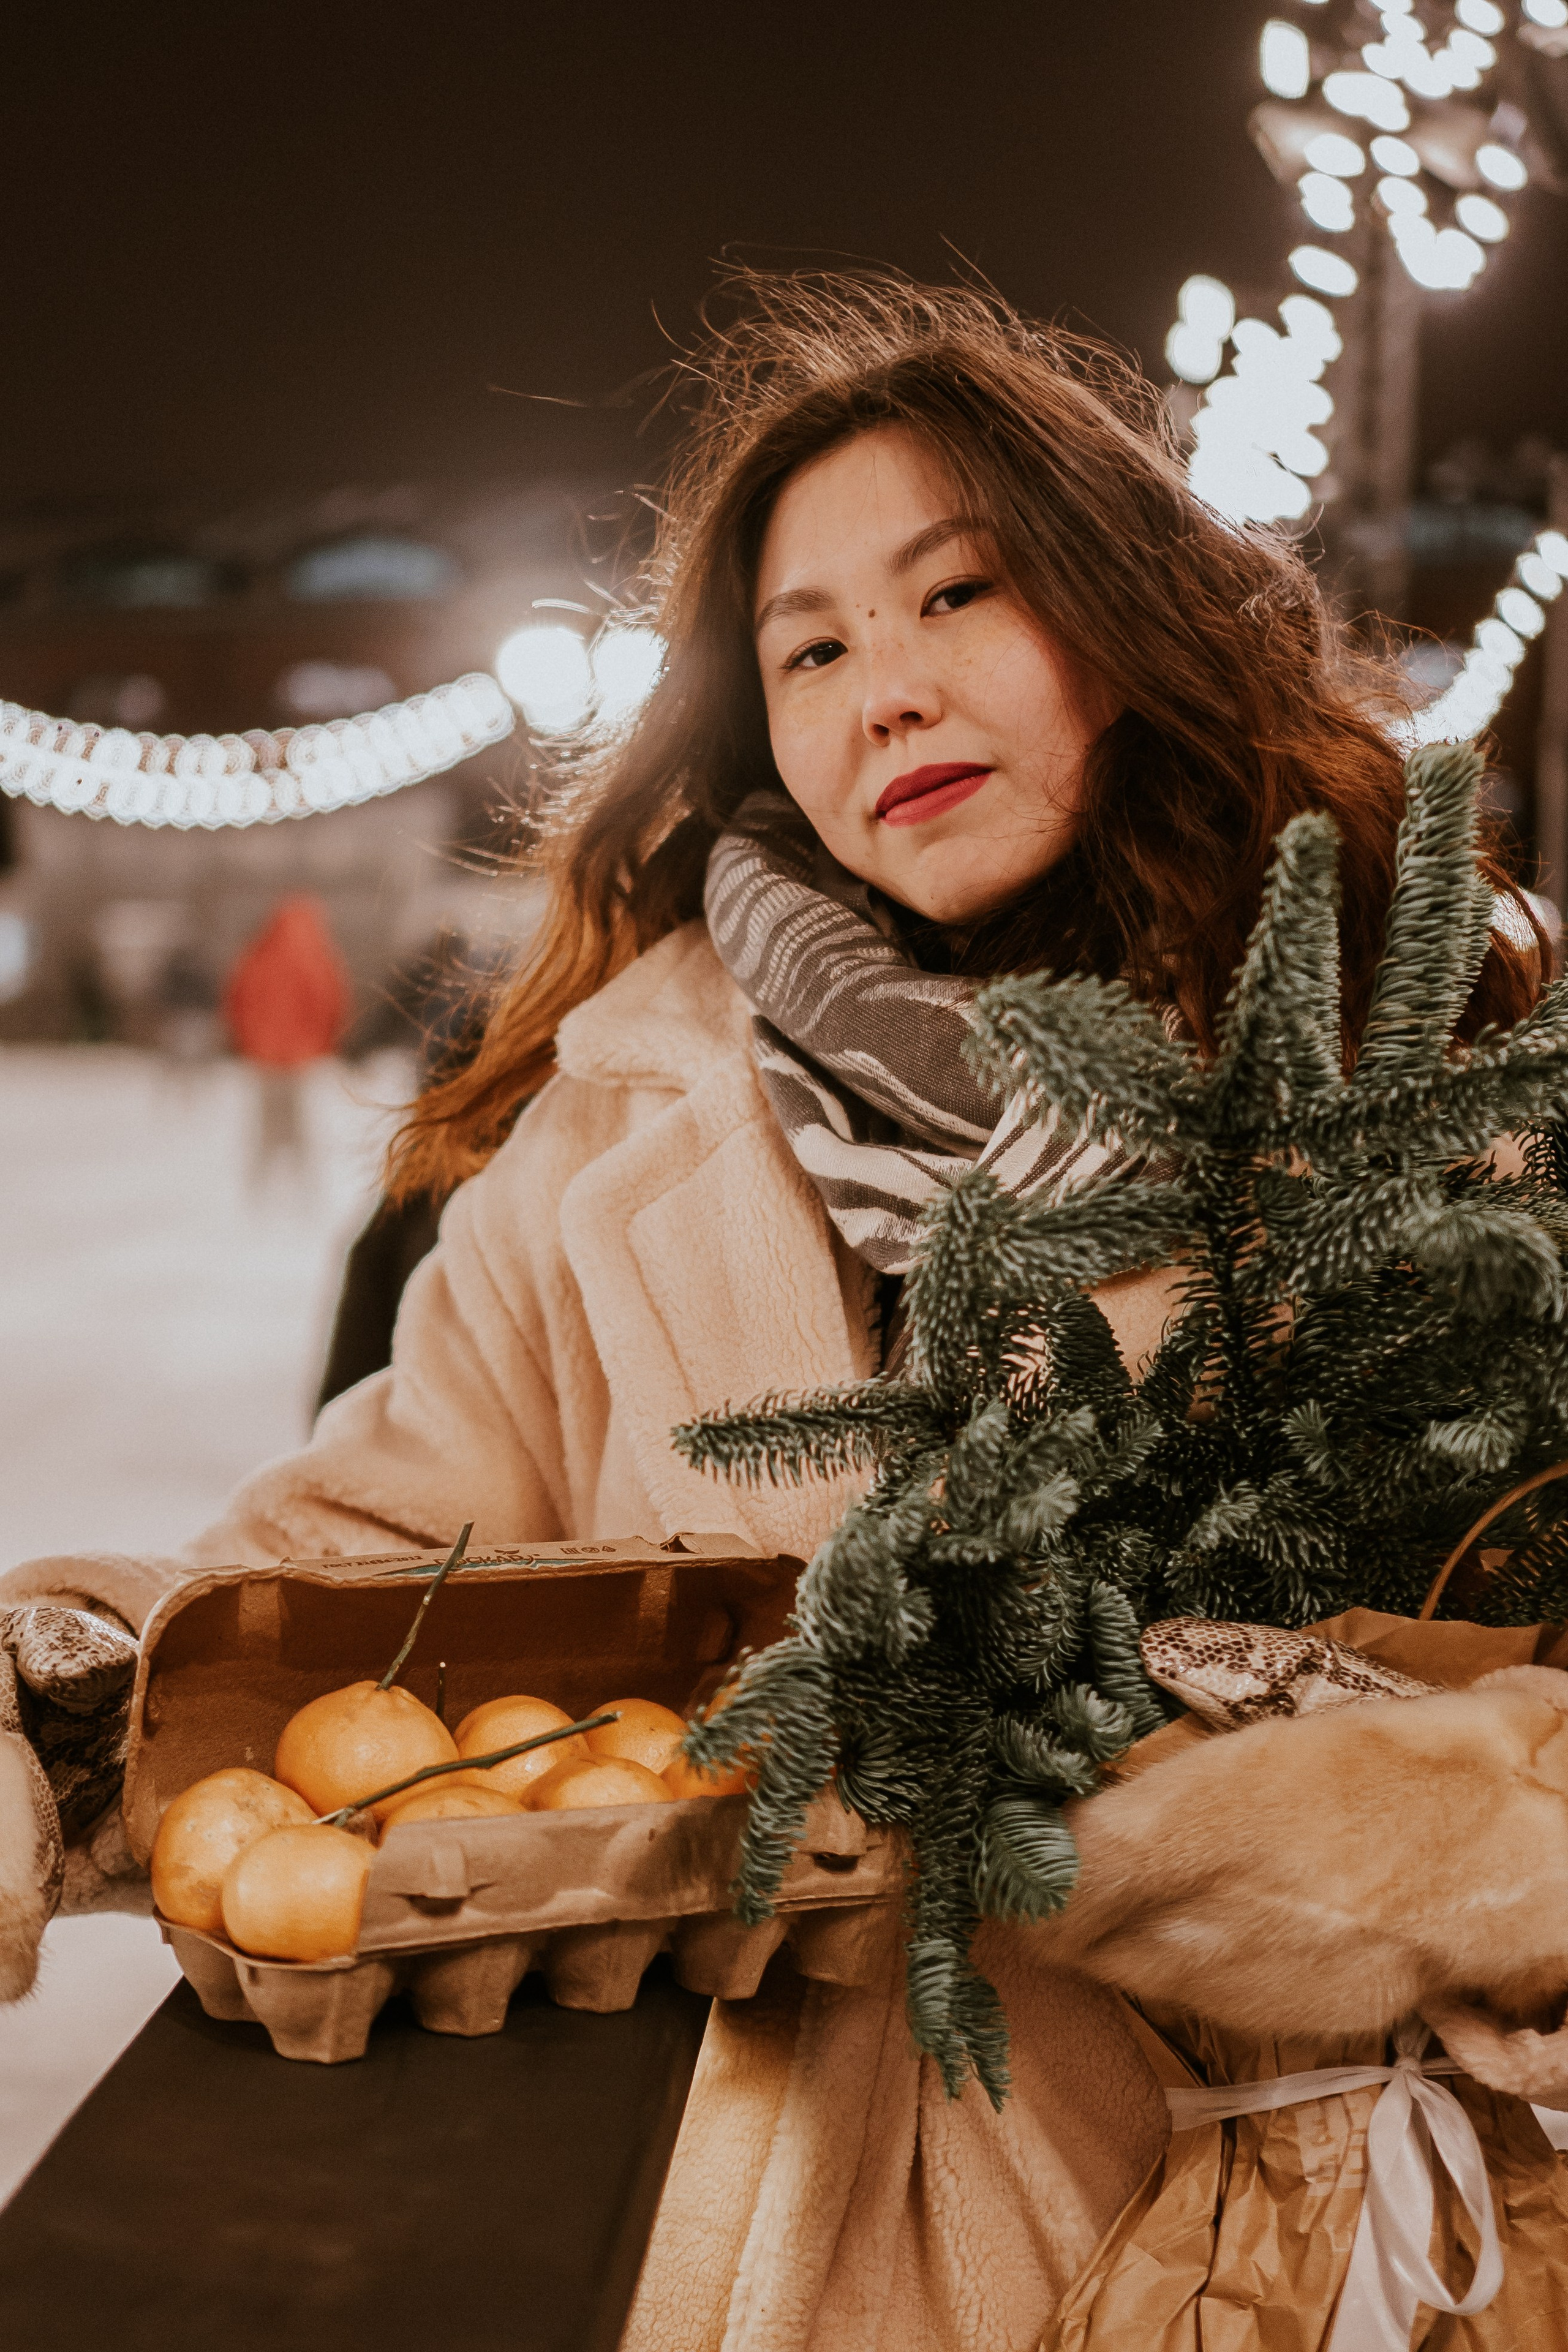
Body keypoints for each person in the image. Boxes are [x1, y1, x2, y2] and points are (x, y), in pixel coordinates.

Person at [0, 271, 1543, 2348]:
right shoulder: (629, 1131)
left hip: (1288, 2242)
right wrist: (75, 1710)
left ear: (1127, 614)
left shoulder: (1431, 1082)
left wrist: (1227, 1844)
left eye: (955, 596)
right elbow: (375, 1574)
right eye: (806, 647)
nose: (877, 691)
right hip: (763, 2241)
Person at [223, 894, 351, 1195]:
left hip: (263, 1052)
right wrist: (326, 1041)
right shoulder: (318, 956)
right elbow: (332, 1002)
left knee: (267, 1119)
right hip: (301, 1053)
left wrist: (244, 1038)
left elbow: (237, 997)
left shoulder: (259, 952)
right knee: (298, 1121)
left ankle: (260, 1184)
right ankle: (304, 1186)